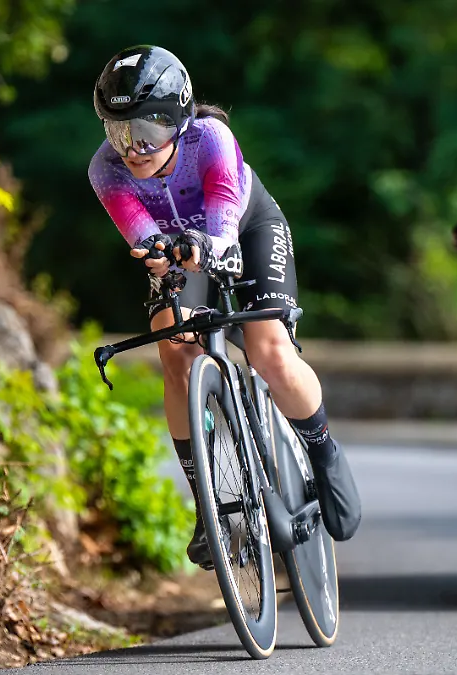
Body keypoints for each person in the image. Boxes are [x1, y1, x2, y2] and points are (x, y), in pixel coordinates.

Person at [87, 45, 361, 568]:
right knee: (174, 352)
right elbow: (148, 247)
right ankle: (207, 503)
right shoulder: (106, 171)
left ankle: (323, 450)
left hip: (243, 227)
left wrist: (202, 250)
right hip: (179, 253)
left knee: (269, 352)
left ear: (177, 119)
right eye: (117, 132)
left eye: (146, 130)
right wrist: (166, 263)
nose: (133, 148)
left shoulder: (210, 138)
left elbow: (224, 226)